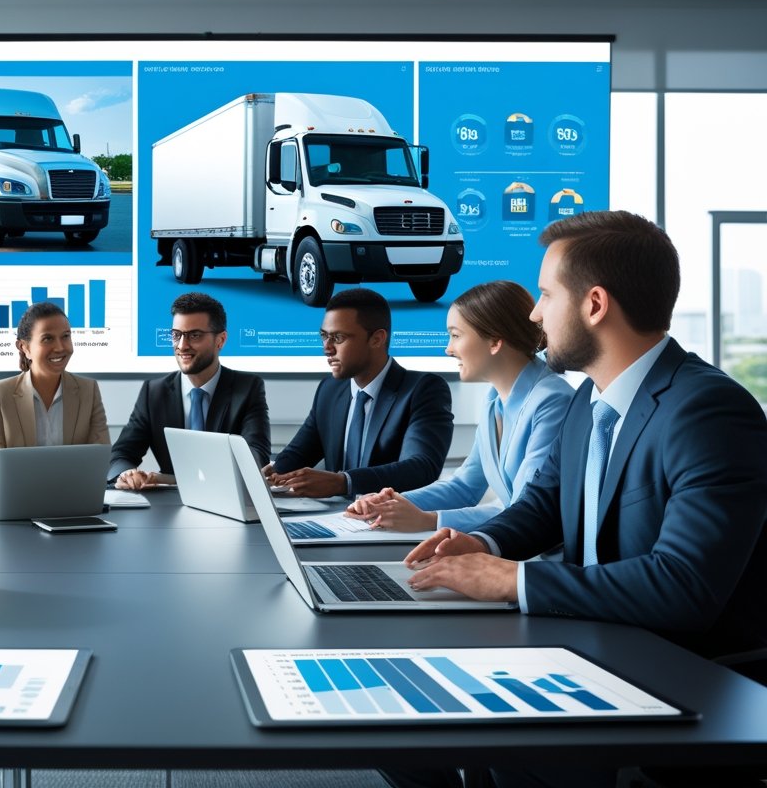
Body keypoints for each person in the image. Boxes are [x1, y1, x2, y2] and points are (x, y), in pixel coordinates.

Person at [389, 211, 767, 788]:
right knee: (409, 719)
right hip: (588, 638)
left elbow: (684, 584)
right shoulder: (590, 398)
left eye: (544, 294)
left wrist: (511, 580)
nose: (535, 314)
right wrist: (479, 541)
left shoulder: (707, 411)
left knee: (480, 737)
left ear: (594, 305)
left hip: (672, 670)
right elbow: (542, 505)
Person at [346, 281, 573, 532]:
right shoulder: (494, 401)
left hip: (542, 557)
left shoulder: (553, 401)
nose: (448, 349)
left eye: (455, 335)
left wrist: (429, 520)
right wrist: (390, 502)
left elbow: (525, 508)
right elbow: (465, 486)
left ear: (495, 342)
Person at [266, 287, 453, 499]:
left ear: (377, 339)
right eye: (324, 336)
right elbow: (298, 454)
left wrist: (343, 482)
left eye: (338, 338)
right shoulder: (329, 390)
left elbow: (421, 468)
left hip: (387, 522)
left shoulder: (423, 389)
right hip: (331, 517)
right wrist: (269, 472)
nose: (326, 349)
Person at [110, 292, 270, 488]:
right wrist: (127, 474)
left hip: (227, 501)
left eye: (194, 335)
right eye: (176, 335)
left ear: (220, 340)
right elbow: (121, 455)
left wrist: (168, 479)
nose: (182, 346)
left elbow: (255, 457)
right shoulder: (153, 392)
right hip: (170, 508)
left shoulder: (248, 388)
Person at [0, 302, 109, 465]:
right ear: (24, 347)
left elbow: (100, 457)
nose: (60, 347)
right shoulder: (0, 393)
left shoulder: (88, 390)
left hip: (73, 490)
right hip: (17, 489)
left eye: (66, 336)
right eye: (48, 339)